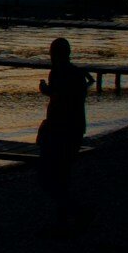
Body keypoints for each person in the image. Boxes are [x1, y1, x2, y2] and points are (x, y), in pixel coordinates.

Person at [37, 37, 89, 229]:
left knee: (48, 177)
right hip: (74, 129)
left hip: (61, 130)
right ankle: (64, 218)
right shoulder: (76, 73)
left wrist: (46, 91)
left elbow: (61, 98)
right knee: (62, 176)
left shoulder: (59, 72)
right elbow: (75, 96)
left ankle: (74, 212)